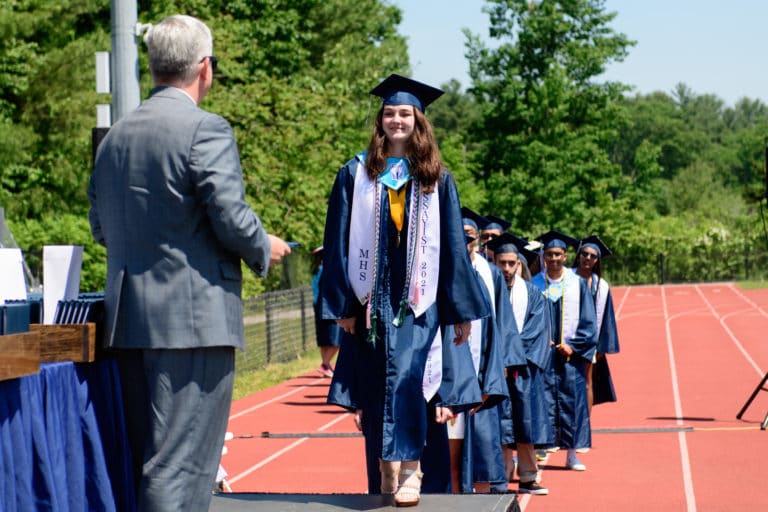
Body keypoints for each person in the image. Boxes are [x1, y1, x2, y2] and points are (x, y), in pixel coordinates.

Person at [88, 14, 291, 512]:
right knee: (183, 465)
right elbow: (230, 215)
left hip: (128, 322)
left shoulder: (114, 137)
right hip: (194, 321)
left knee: (146, 460)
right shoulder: (205, 128)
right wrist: (264, 246)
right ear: (205, 68)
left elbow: (100, 227)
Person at [321, 74, 489, 506]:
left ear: (419, 121)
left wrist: (460, 312)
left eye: (405, 113)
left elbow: (452, 245)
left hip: (419, 300)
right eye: (390, 113)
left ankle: (411, 469)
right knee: (378, 383)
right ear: (380, 121)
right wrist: (342, 305)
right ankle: (384, 468)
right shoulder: (355, 174)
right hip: (370, 298)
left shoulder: (436, 179)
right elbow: (338, 238)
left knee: (411, 378)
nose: (397, 120)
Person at [487, 233, 553, 495]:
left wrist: (510, 359)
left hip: (522, 371)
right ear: (495, 261)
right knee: (499, 424)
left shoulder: (533, 294)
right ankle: (500, 476)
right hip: (494, 369)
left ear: (519, 264)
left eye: (511, 263)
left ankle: (527, 476)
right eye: (501, 263)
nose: (506, 268)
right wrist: (496, 361)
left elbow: (536, 331)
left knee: (525, 422)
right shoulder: (487, 289)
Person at [530, 230, 597, 472]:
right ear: (543, 257)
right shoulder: (535, 285)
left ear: (566, 256)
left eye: (558, 254)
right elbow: (527, 321)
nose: (554, 259)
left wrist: (574, 345)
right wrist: (539, 341)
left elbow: (589, 324)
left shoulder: (577, 285)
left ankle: (572, 455)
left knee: (573, 402)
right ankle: (539, 450)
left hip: (570, 357)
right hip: (544, 356)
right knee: (543, 402)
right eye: (549, 254)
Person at [573, 235, 620, 413]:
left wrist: (600, 347)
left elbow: (605, 318)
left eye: (593, 256)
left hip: (588, 340)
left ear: (597, 261)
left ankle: (584, 424)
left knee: (587, 382)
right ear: (578, 255)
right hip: (567, 337)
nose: (588, 258)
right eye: (585, 253)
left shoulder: (601, 286)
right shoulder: (566, 279)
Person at [311, 246, 342, 377]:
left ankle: (326, 364)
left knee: (325, 338)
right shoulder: (327, 271)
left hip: (319, 306)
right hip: (328, 306)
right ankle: (325, 364)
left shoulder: (317, 270)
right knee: (336, 338)